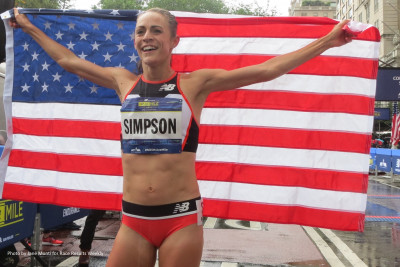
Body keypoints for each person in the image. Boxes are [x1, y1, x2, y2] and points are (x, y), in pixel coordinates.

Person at [10, 7, 354, 267]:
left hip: (180, 220)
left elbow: (266, 71)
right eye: (141, 31)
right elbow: (68, 61)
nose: (148, 36)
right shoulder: (122, 81)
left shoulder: (194, 83)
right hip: (133, 221)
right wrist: (27, 26)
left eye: (156, 30)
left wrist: (327, 41)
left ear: (174, 40)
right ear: (134, 40)